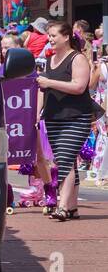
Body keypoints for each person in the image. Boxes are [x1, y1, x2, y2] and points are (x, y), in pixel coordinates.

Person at [38, 21, 95, 222]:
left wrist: (49, 82)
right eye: (49, 36)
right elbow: (41, 89)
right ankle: (72, 208)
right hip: (54, 117)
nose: (50, 39)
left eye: (53, 35)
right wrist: (37, 113)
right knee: (66, 160)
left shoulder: (77, 58)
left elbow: (79, 86)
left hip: (76, 117)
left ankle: (62, 206)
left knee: (64, 160)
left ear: (66, 36)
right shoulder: (49, 60)